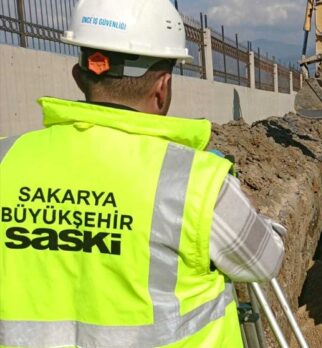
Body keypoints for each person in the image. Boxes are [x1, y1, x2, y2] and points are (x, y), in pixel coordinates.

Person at [0, 0, 285, 347]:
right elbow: (265, 260)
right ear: (162, 87)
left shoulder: (6, 158)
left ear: (78, 77)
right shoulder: (195, 181)